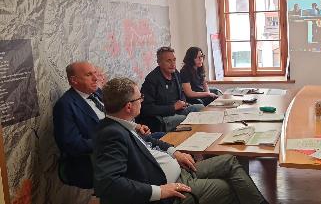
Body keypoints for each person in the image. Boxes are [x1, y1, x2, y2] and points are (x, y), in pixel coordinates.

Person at [93, 77, 268, 204]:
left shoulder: (126, 124)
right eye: (140, 98)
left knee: (229, 161)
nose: (142, 101)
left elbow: (152, 142)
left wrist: (174, 152)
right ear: (129, 106)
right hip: (169, 185)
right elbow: (108, 185)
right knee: (226, 188)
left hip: (180, 169)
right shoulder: (112, 134)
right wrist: (160, 191)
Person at [53, 61, 152, 188]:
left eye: (95, 73)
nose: (96, 78)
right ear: (74, 80)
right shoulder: (65, 105)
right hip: (93, 160)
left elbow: (116, 117)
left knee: (157, 144)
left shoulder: (98, 93)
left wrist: (134, 126)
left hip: (122, 145)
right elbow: (72, 145)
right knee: (146, 165)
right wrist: (113, 141)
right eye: (89, 75)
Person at [140, 47, 203, 132]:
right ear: (159, 62)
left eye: (174, 60)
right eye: (168, 61)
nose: (173, 64)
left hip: (178, 110)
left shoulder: (175, 73)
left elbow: (181, 93)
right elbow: (147, 108)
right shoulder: (152, 80)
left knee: (200, 108)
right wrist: (173, 107)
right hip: (162, 117)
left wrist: (183, 102)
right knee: (185, 119)